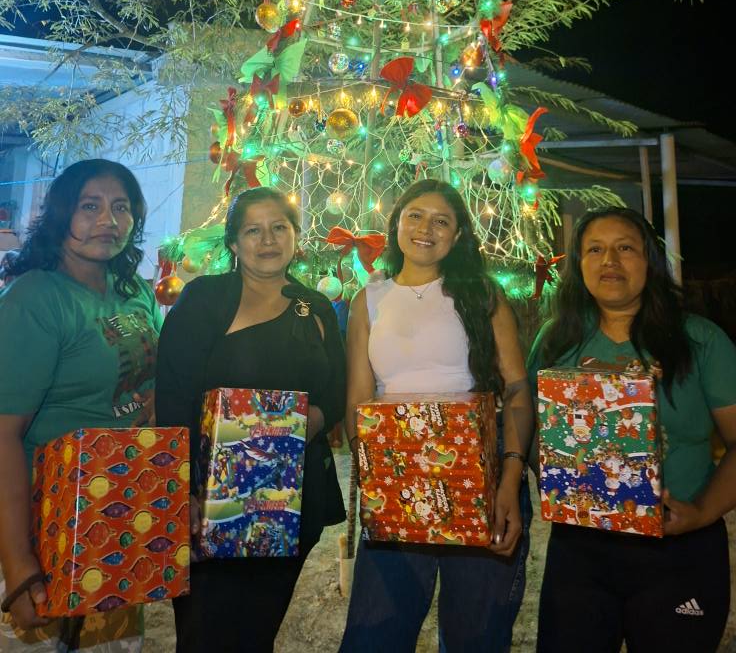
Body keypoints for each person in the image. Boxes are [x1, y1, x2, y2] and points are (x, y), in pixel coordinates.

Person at [527, 207, 736, 653]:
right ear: (578, 264)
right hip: (580, 551)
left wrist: (700, 513)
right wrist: (559, 484)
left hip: (678, 549)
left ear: (649, 261)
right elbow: (530, 429)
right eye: (595, 250)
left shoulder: (700, 340)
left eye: (625, 248)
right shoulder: (555, 340)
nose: (609, 261)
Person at [340, 179, 534, 653]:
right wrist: (375, 478)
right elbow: (358, 400)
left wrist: (509, 481)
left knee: (475, 638)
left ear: (458, 235)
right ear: (396, 224)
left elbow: (516, 389)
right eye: (415, 215)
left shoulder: (481, 295)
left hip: (479, 479)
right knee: (374, 637)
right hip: (396, 482)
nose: (426, 228)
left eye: (441, 221)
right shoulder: (368, 300)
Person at [155, 187, 346, 653]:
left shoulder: (314, 306)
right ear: (234, 243)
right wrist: (182, 489)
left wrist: (298, 426)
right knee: (205, 634)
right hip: (214, 501)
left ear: (295, 236)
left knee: (258, 632)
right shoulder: (206, 298)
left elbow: (337, 392)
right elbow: (174, 395)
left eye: (279, 227)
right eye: (253, 230)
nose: (268, 240)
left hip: (292, 497)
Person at [0, 159, 160, 652]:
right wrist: (18, 563)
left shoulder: (135, 292)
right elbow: (3, 434)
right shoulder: (34, 299)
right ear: (60, 213)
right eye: (90, 206)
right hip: (45, 523)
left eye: (121, 208)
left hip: (120, 515)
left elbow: (152, 383)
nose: (108, 221)